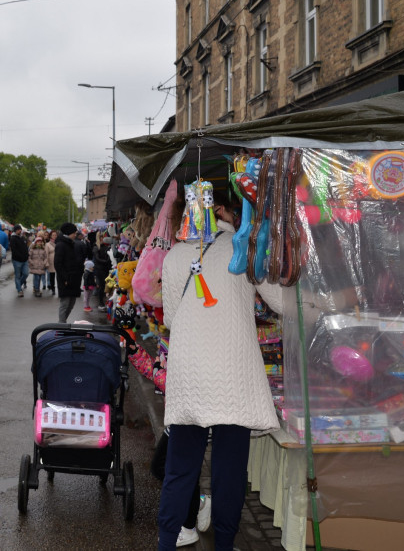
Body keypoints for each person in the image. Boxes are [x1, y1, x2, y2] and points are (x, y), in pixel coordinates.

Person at [156, 195, 284, 551]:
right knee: (230, 471)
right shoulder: (242, 251)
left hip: (190, 376)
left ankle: (167, 542)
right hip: (233, 376)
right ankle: (224, 544)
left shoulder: (175, 256)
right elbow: (280, 303)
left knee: (180, 469)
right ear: (224, 212)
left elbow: (170, 318)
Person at [53, 223, 85, 323]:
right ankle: (61, 325)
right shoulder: (61, 245)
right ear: (69, 233)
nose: (75, 235)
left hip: (73, 279)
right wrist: (65, 278)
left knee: (71, 303)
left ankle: (63, 323)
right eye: (74, 233)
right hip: (66, 280)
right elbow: (58, 264)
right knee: (65, 304)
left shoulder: (71, 243)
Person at [8, 224, 29, 297]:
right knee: (17, 275)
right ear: (16, 230)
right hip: (17, 260)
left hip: (25, 260)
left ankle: (18, 285)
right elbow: (14, 250)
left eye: (20, 229)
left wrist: (26, 255)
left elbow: (26, 248)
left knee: (26, 273)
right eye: (19, 229)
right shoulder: (13, 238)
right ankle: (19, 290)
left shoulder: (22, 238)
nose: (20, 230)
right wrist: (20, 256)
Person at [93, 238, 112, 312]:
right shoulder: (96, 247)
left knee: (106, 285)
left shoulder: (106, 247)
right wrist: (106, 261)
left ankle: (104, 302)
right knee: (101, 286)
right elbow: (97, 258)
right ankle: (101, 303)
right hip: (100, 269)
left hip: (105, 269)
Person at [44, 229, 58, 296]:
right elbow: (46, 254)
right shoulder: (47, 244)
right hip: (51, 262)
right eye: (53, 235)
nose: (54, 236)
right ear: (50, 236)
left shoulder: (58, 243)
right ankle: (53, 289)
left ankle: (60, 288)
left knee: (59, 276)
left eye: (55, 235)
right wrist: (46, 262)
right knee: (52, 276)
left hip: (58, 261)